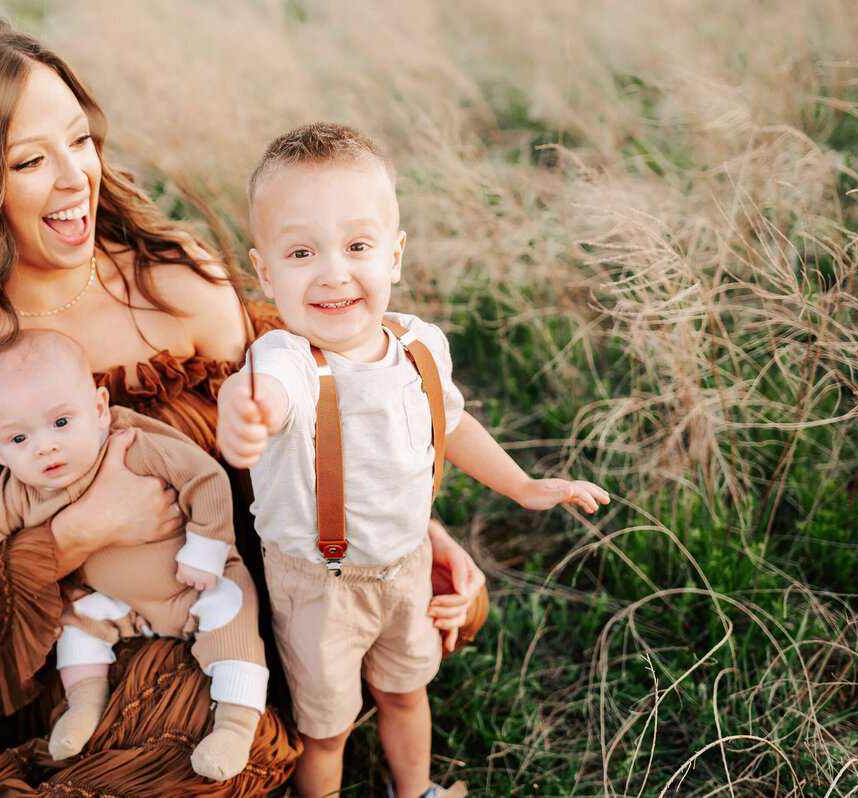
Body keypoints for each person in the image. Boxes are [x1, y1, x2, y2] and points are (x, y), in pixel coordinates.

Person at [0, 18, 484, 795]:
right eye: (28, 161)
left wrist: (404, 527)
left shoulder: (176, 285)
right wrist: (80, 532)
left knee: (404, 619)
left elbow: (281, 440)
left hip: (229, 591)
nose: (73, 177)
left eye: (79, 140)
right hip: (68, 648)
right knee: (176, 749)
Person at [216, 122, 611, 798]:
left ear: (394, 256)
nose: (334, 271)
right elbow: (264, 396)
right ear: (265, 271)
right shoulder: (285, 360)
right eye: (303, 252)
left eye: (358, 246)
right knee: (328, 729)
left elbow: (450, 422)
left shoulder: (421, 346)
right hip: (319, 586)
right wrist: (244, 415)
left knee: (406, 692)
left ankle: (415, 789)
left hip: (404, 569)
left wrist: (521, 485)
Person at [0, 329, 268, 777]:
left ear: (100, 409)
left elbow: (205, 478)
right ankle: (84, 705)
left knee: (234, 620)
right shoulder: (17, 493)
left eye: (61, 423)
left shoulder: (132, 445)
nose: (45, 446)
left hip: (195, 585)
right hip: (115, 602)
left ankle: (234, 728)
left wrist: (204, 551)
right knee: (77, 624)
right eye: (18, 439)